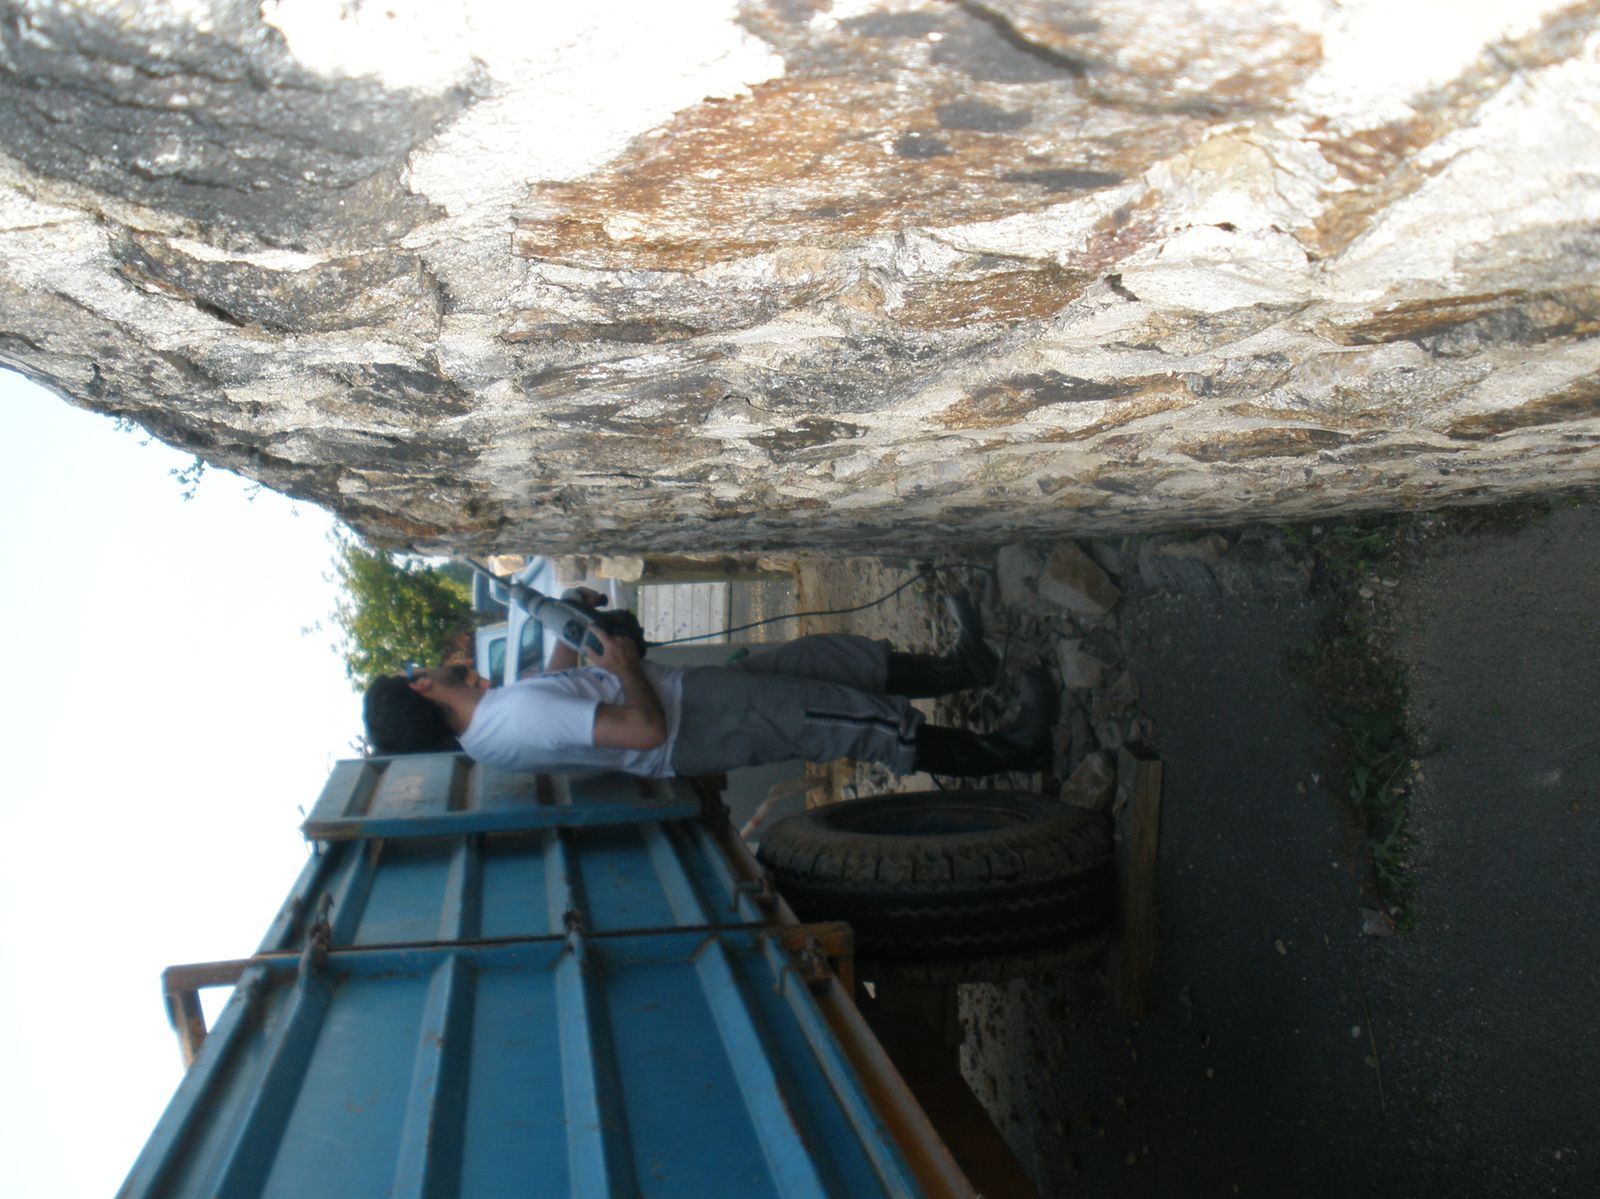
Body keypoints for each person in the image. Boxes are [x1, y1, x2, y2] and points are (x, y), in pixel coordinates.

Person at [362, 593, 1054, 779]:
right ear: (420, 687)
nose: (427, 665)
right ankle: (1017, 751)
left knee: (823, 663)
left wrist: (571, 624)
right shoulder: (513, 721)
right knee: (851, 720)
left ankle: (964, 669)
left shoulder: (493, 725)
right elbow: (644, 732)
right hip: (694, 720)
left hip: (694, 696)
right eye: (413, 671)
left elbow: (557, 691)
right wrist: (623, 665)